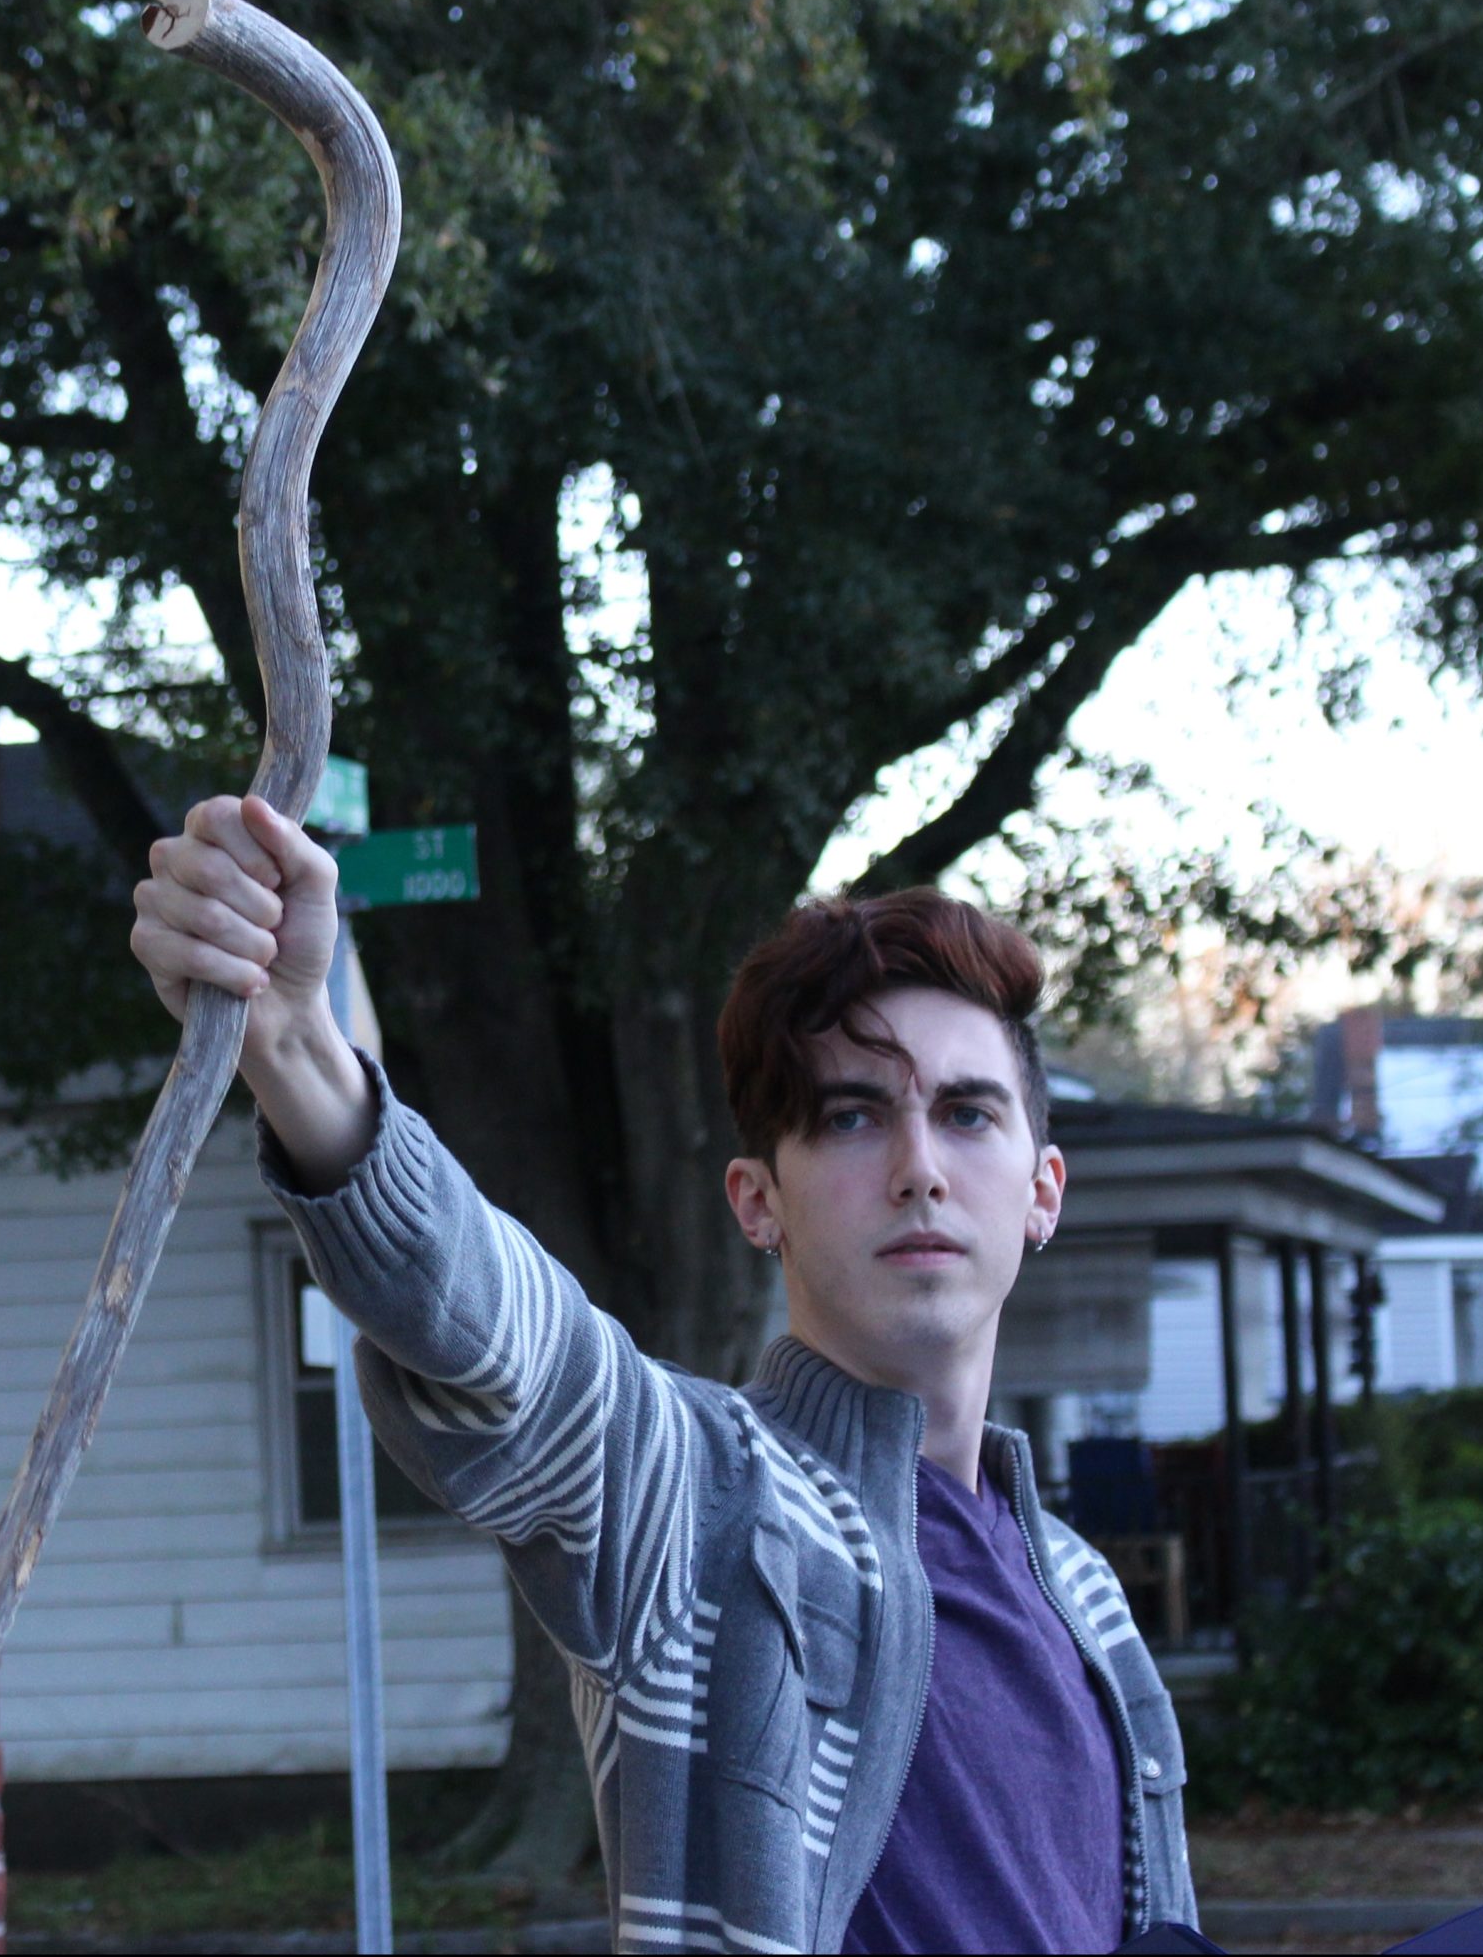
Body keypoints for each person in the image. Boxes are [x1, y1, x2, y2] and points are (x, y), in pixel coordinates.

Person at [131, 794, 1198, 1955]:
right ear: (757, 1201)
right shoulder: (707, 1507)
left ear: (1043, 1190)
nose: (918, 1168)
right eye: (851, 1117)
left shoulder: (1087, 1597)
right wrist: (293, 1043)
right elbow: (508, 1343)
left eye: (966, 1113)